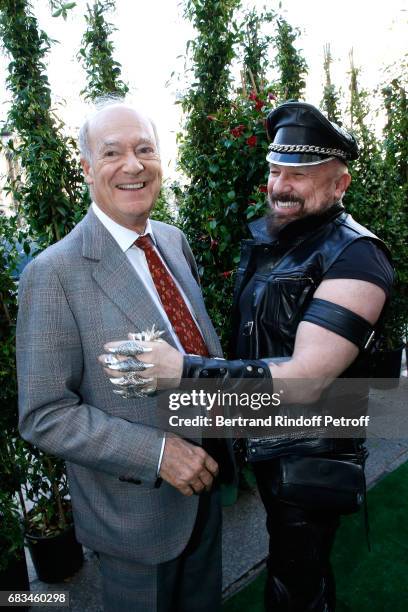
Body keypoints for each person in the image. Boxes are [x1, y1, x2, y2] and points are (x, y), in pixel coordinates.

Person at [104, 102, 394, 611]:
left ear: (339, 185)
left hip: (309, 454)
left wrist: (183, 370)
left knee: (295, 589)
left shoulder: (357, 256)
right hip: (268, 444)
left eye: (300, 175)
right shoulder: (280, 239)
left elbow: (307, 377)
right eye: (276, 170)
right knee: (296, 577)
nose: (281, 185)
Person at [16, 98, 233, 612]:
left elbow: (193, 348)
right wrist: (158, 454)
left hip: (209, 491)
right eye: (112, 153)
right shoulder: (55, 274)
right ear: (88, 168)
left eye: (145, 149)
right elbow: (45, 415)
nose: (133, 165)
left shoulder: (174, 242)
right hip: (137, 520)